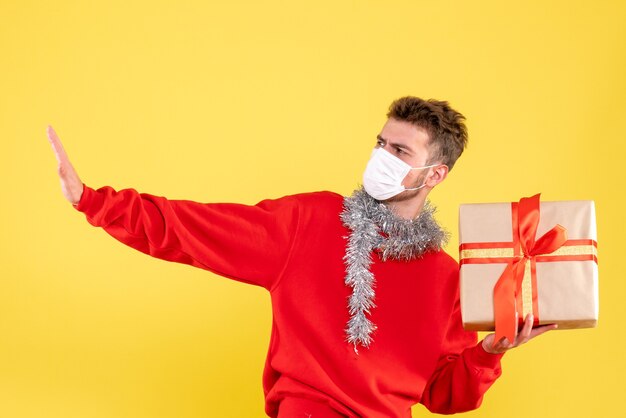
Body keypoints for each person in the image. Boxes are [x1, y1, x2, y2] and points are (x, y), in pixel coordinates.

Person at [46, 96, 556, 417]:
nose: (380, 156)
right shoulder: (311, 222)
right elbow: (191, 229)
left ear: (434, 175)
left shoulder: (449, 279)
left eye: (399, 152)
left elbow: (447, 397)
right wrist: (93, 200)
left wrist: (491, 351)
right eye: (380, 143)